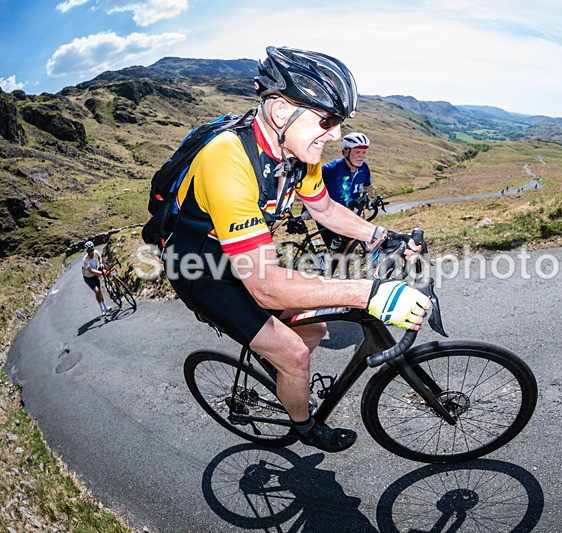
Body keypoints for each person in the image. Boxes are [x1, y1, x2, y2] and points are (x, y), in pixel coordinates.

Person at [162, 46, 431, 453]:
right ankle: (303, 427)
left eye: (339, 123)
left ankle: (278, 373)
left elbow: (322, 207)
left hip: (242, 258)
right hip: (200, 270)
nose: (336, 135)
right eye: (326, 120)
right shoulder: (227, 159)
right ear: (283, 111)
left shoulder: (294, 154)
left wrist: (381, 236)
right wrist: (373, 292)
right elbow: (267, 285)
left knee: (317, 328)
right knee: (294, 354)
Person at [317, 131, 375, 270]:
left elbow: (368, 188)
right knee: (338, 253)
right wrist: (306, 209)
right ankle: (323, 266)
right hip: (329, 216)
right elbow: (311, 188)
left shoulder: (364, 168)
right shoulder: (330, 169)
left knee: (348, 248)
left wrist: (367, 199)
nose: (361, 156)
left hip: (352, 215)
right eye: (357, 152)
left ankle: (333, 273)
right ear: (345, 152)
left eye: (363, 153)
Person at [81, 241, 109, 316]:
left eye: (92, 250)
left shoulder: (95, 252)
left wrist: (101, 263)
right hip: (88, 277)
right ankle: (101, 307)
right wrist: (101, 273)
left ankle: (105, 306)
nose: (91, 252)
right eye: (89, 251)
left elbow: (99, 257)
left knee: (99, 291)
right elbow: (91, 271)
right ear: (87, 251)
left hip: (94, 276)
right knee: (96, 291)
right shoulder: (85, 260)